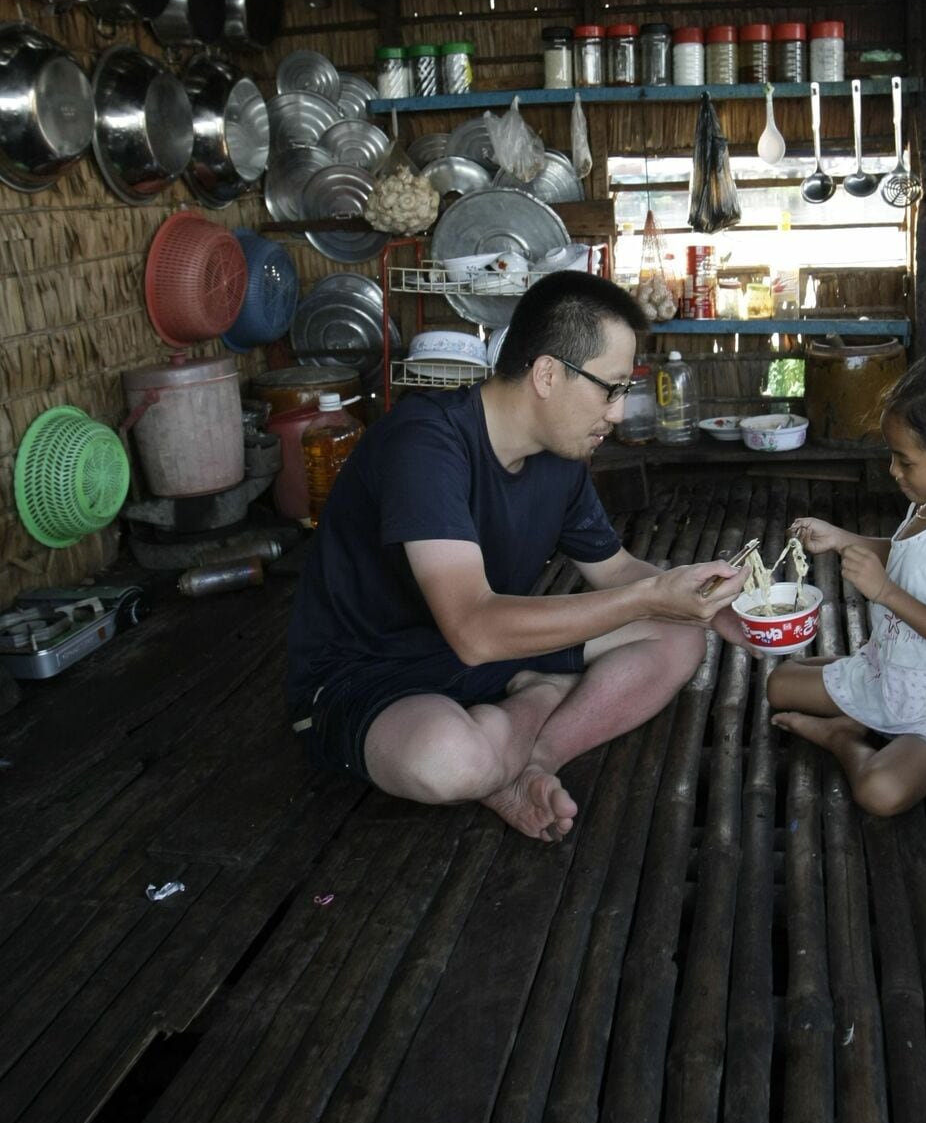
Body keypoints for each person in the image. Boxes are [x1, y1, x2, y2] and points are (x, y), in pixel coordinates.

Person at [286, 271, 746, 843]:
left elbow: (617, 570)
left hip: (490, 655)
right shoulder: (425, 444)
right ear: (548, 374)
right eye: (613, 388)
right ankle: (537, 700)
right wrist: (651, 597)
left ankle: (534, 761)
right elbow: (474, 630)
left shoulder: (561, 458)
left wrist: (709, 604)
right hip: (370, 674)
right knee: (450, 760)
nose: (620, 414)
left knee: (680, 638)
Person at [768, 355, 926, 816]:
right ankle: (864, 712)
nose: (893, 471)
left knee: (879, 792)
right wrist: (841, 537)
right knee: (779, 685)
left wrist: (885, 592)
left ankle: (842, 737)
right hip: (894, 672)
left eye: (905, 461)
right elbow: (909, 554)